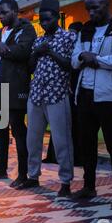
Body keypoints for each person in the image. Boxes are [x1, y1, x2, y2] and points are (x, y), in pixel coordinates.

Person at [71, 0, 112, 210]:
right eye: (89, 8)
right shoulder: (85, 29)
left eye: (96, 7)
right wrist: (83, 58)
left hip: (108, 97)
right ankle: (89, 186)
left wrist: (93, 58)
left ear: (107, 5)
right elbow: (74, 60)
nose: (91, 12)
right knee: (87, 144)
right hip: (84, 94)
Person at [16, 0, 76, 198]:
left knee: (61, 140)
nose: (44, 23)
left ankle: (65, 181)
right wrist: (37, 53)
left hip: (57, 94)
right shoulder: (38, 40)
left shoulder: (68, 38)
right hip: (36, 96)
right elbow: (31, 67)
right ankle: (33, 176)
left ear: (57, 17)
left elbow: (70, 66)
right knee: (33, 139)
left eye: (48, 19)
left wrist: (49, 52)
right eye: (41, 20)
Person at [0, 0, 37, 188]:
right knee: (0, 131)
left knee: (18, 131)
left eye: (4, 12)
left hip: (14, 88)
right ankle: (1, 169)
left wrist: (3, 49)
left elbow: (23, 52)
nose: (1, 17)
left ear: (14, 11)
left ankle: (23, 174)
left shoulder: (26, 29)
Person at [43, 22, 83, 166]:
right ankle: (54, 157)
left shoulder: (79, 50)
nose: (72, 34)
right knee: (58, 126)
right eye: (70, 31)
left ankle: (76, 158)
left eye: (74, 32)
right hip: (63, 91)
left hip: (76, 92)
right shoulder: (67, 47)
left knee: (75, 127)